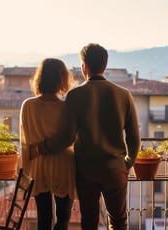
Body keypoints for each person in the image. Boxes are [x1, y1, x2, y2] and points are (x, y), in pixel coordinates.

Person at [33, 43, 141, 230]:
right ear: (104, 65)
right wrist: (127, 162)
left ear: (84, 66)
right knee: (118, 221)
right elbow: (133, 137)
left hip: (86, 170)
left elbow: (67, 137)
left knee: (89, 222)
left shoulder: (75, 95)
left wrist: (42, 147)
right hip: (115, 168)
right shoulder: (124, 95)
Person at [19, 58, 76, 230]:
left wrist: (25, 168)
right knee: (63, 219)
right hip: (64, 166)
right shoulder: (67, 108)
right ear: (62, 79)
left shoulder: (28, 105)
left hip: (39, 165)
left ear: (40, 78)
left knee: (43, 218)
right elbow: (71, 138)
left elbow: (25, 141)